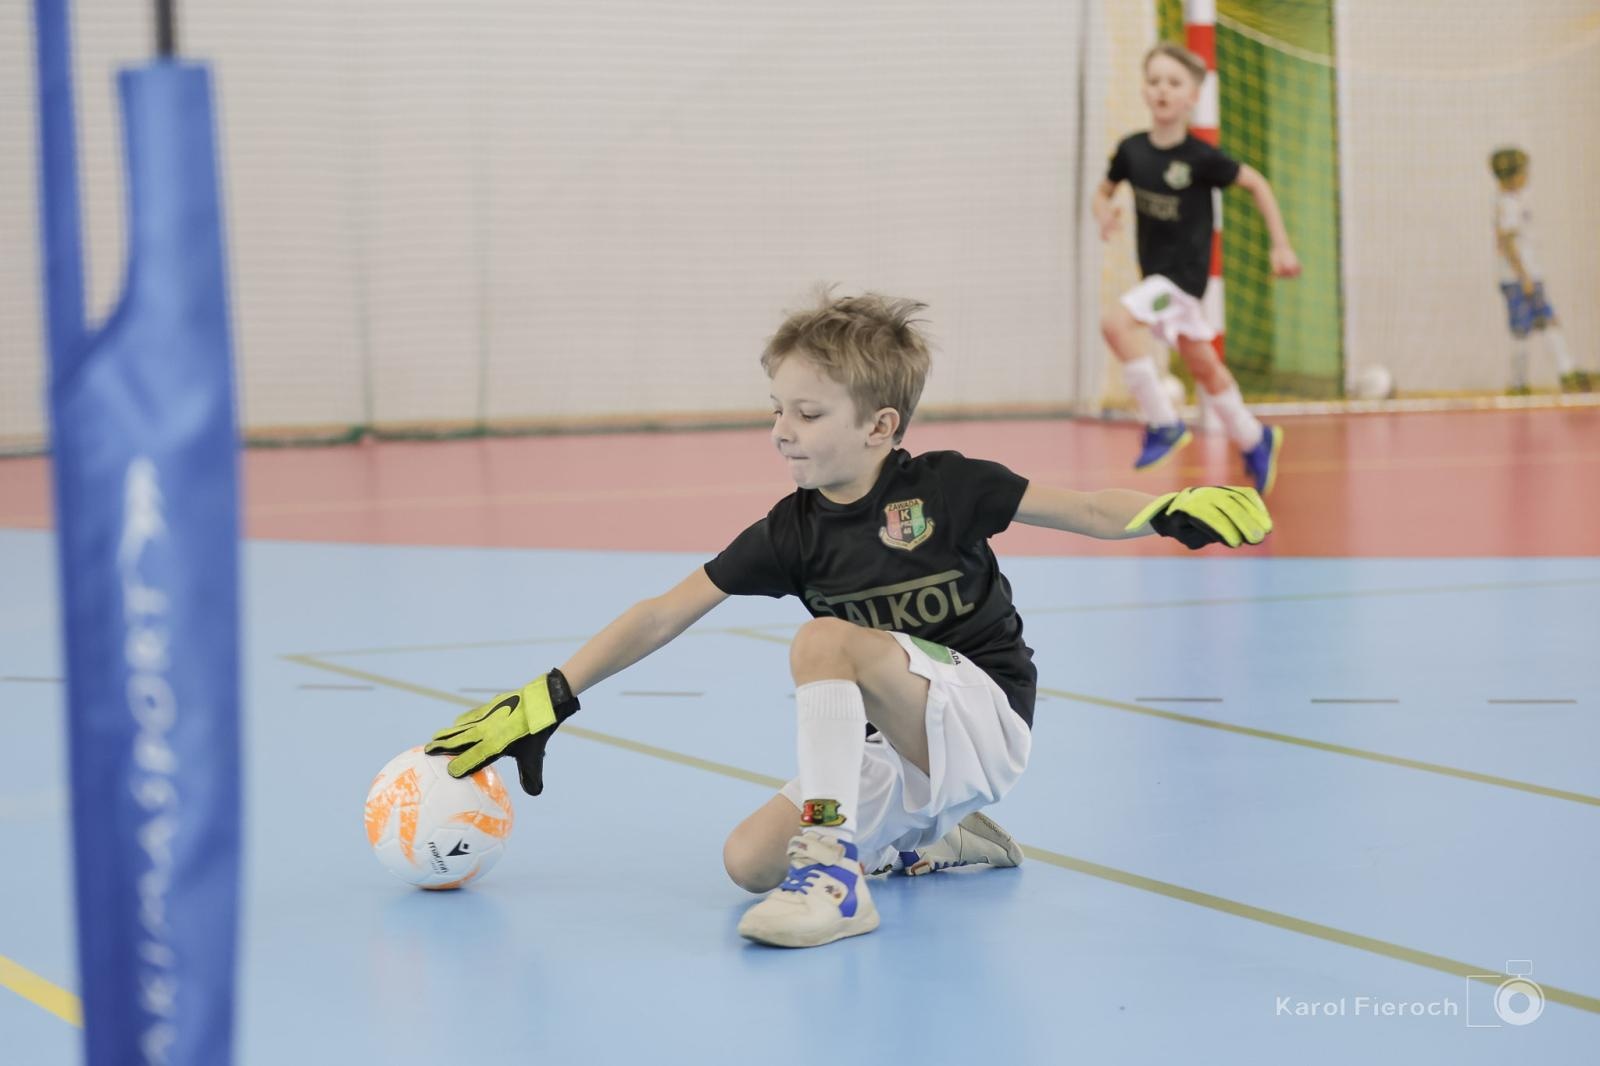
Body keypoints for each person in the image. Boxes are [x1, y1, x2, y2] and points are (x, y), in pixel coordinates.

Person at [425, 291, 1273, 948]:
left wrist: (1165, 507)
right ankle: (942, 839)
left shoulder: (947, 486)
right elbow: (660, 615)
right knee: (746, 862)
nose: (780, 432)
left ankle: (834, 875)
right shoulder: (790, 531)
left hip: (987, 715)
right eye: (774, 409)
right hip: (893, 743)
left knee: (822, 640)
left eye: (806, 414)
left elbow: (1085, 506)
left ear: (880, 427)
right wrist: (548, 697)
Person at [1094, 42, 1301, 493]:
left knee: (1114, 324)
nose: (1162, 90)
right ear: (1145, 90)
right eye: (1154, 81)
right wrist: (1103, 212)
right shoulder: (1132, 150)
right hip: (1157, 278)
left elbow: (1257, 184)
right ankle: (1254, 436)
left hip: (1183, 278)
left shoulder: (1201, 158)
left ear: (1192, 97)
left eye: (1174, 83)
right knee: (1203, 365)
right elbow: (1103, 191)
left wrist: (1280, 246)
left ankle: (1164, 423)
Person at [1489, 146, 1591, 394]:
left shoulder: (1515, 201)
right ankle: (1518, 382)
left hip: (1529, 274)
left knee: (1547, 319)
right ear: (1512, 176)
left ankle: (1566, 371)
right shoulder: (1507, 205)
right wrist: (1522, 275)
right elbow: (1507, 242)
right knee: (1522, 328)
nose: (1527, 176)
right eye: (1524, 172)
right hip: (1517, 277)